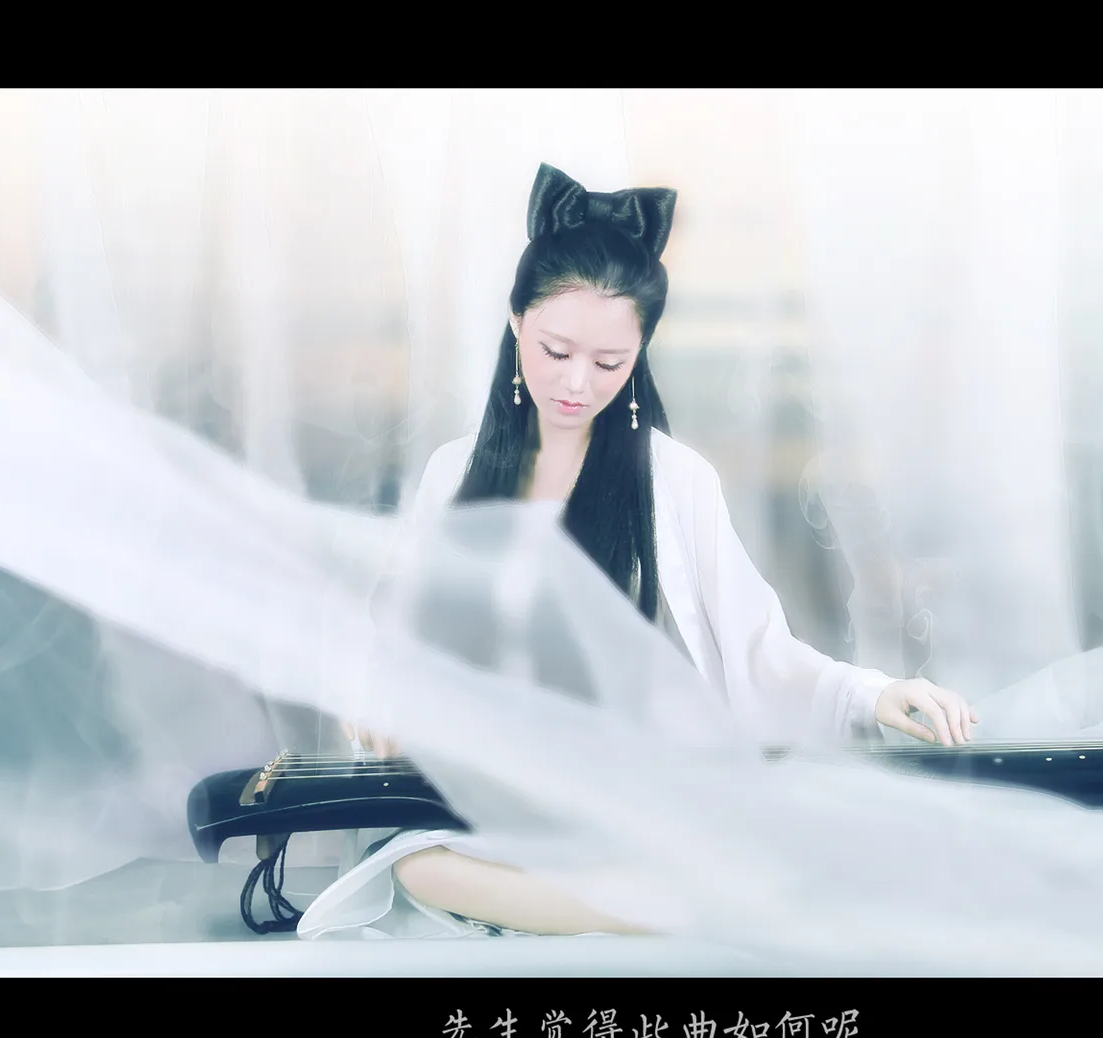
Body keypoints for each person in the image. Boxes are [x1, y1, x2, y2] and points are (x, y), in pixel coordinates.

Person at [302, 163, 978, 940]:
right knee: (416, 862)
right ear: (516, 322)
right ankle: (663, 910)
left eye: (608, 364)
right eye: (556, 350)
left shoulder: (675, 479)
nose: (576, 384)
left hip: (632, 783)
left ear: (639, 353)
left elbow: (757, 647)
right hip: (499, 783)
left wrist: (869, 694)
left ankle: (630, 903)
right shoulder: (454, 474)